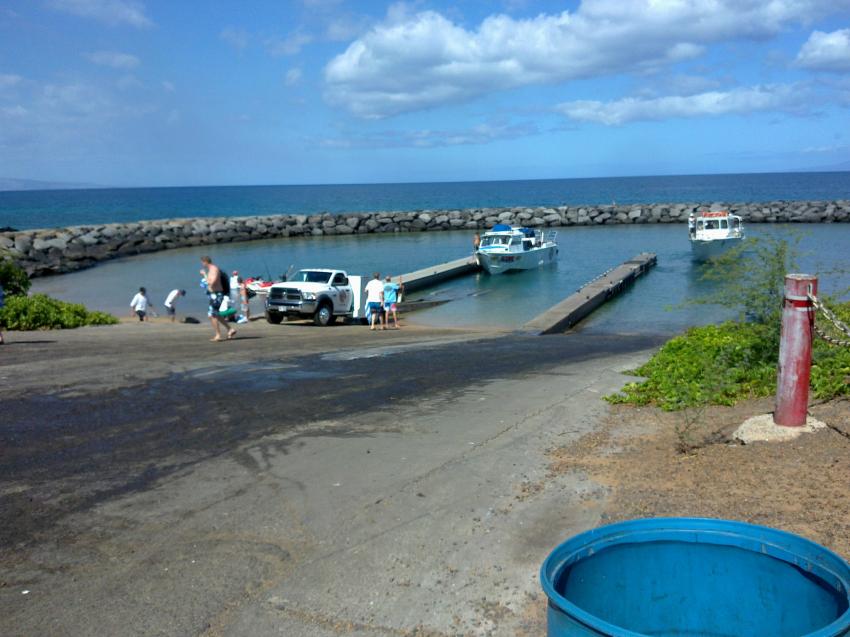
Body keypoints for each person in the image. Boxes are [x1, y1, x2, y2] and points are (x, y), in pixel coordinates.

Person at [200, 256, 236, 341]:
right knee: (216, 314)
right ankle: (230, 329)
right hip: (215, 295)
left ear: (205, 262)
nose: (202, 264)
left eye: (202, 262)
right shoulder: (212, 269)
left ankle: (218, 335)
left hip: (217, 295)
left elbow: (211, 283)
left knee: (212, 315)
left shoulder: (213, 269)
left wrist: (204, 275)